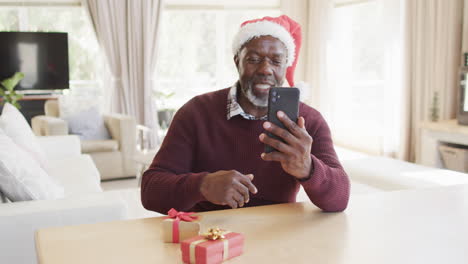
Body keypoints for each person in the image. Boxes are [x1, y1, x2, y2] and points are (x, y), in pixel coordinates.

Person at [141, 15, 350, 214]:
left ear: (286, 66)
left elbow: (339, 200)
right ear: (236, 61)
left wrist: (309, 168)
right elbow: (150, 191)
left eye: (276, 61)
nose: (265, 69)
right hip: (208, 235)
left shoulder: (308, 121)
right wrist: (202, 185)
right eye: (253, 59)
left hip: (277, 234)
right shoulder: (195, 113)